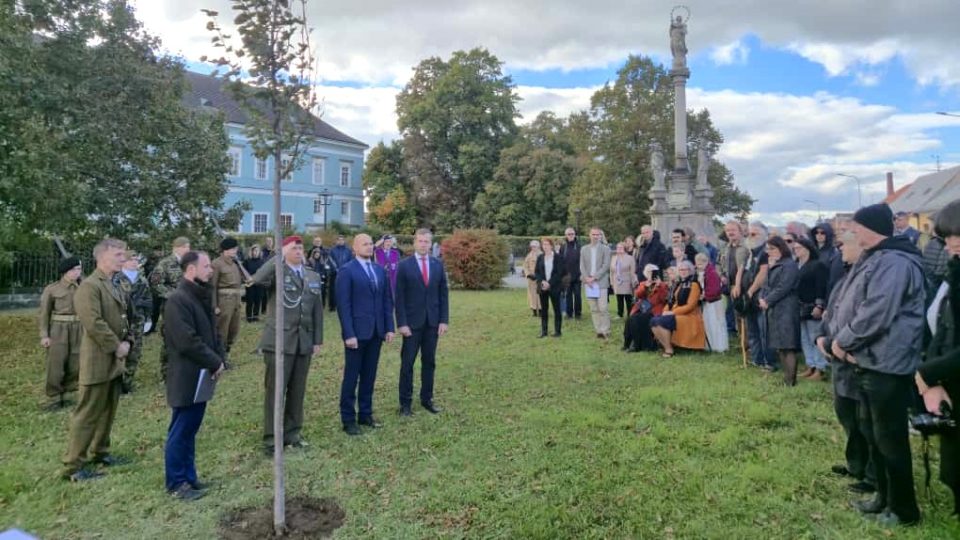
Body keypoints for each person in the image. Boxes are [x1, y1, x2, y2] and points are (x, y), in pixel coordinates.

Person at [818, 203, 923, 526]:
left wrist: (842, 341)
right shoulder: (874, 258)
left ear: (870, 228)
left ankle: (904, 510)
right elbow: (849, 301)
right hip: (867, 360)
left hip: (887, 363)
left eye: (856, 226)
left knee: (890, 439)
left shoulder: (894, 262)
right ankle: (883, 496)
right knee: (874, 435)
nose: (851, 232)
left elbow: (876, 311)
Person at [62, 238, 133, 482]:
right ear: (102, 257)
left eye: (123, 255)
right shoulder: (90, 286)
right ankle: (73, 466)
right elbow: (93, 322)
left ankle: (100, 452)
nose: (123, 259)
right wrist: (116, 346)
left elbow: (124, 317)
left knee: (108, 409)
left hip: (114, 359)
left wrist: (128, 342)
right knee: (88, 412)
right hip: (98, 358)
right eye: (118, 255)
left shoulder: (114, 283)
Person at [162, 251, 226, 501]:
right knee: (180, 430)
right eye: (207, 266)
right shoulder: (177, 301)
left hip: (202, 374)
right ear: (191, 269)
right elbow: (187, 341)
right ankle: (176, 482)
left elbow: (213, 333)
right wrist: (213, 361)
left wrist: (219, 358)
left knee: (190, 429)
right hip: (186, 375)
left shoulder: (199, 296)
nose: (211, 270)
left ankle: (189, 477)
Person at [251, 236, 324, 454]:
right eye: (293, 248)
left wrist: (317, 340)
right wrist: (277, 258)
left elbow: (317, 311)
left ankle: (292, 433)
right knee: (276, 391)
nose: (299, 251)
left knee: (297, 390)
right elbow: (257, 279)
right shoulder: (277, 273)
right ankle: (272, 438)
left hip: (303, 341)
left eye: (301, 248)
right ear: (284, 251)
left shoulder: (312, 275)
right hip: (279, 341)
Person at [821, 225, 878, 498]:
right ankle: (855, 464)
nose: (841, 248)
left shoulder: (870, 272)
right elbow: (835, 309)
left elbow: (867, 315)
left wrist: (842, 343)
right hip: (838, 355)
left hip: (855, 356)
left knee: (864, 418)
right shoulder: (847, 274)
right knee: (847, 414)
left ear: (861, 245)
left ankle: (872, 474)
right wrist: (824, 337)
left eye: (845, 244)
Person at [915, 198, 960, 518]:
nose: (949, 244)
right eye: (946, 236)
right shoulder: (953, 272)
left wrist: (928, 373)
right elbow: (940, 327)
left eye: (956, 235)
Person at [336, 234, 395, 435]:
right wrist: (348, 334)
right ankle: (348, 419)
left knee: (369, 376)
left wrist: (389, 327)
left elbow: (387, 300)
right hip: (357, 334)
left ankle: (365, 413)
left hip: (376, 332)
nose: (369, 247)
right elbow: (344, 306)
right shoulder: (347, 271)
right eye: (365, 244)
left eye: (371, 244)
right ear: (354, 247)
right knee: (352, 377)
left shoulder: (379, 270)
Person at [395, 229, 449, 416]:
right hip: (411, 324)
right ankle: (405, 404)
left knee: (429, 362)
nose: (424, 244)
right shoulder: (404, 266)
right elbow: (399, 297)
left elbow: (443, 294)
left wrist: (443, 320)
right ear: (414, 243)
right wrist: (401, 323)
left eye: (427, 241)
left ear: (431, 243)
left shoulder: (437, 265)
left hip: (432, 323)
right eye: (421, 241)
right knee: (407, 364)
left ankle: (427, 399)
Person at [38, 256, 83, 410]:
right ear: (66, 271)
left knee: (76, 361)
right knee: (56, 363)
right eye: (74, 270)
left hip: (79, 328)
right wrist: (44, 335)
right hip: (59, 328)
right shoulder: (53, 289)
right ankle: (54, 397)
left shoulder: (83, 287)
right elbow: (44, 313)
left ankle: (70, 393)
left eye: (79, 269)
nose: (78, 273)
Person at [759, 237, 801, 386]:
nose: (769, 252)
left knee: (788, 346)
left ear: (781, 248)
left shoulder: (789, 265)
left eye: (772, 249)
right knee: (781, 346)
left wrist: (768, 300)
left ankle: (791, 381)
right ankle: (787, 379)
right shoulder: (778, 264)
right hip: (777, 308)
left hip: (787, 308)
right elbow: (769, 285)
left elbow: (784, 286)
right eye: (768, 249)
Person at [736, 222, 776, 370]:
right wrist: (738, 285)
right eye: (749, 234)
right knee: (752, 329)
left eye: (754, 234)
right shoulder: (750, 251)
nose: (750, 237)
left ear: (764, 235)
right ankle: (756, 358)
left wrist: (752, 290)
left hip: (760, 295)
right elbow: (743, 269)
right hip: (748, 296)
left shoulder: (766, 252)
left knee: (763, 330)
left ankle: (768, 361)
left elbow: (763, 273)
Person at [149, 237, 190, 381]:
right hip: (171, 306)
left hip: (187, 306)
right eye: (186, 247)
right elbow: (155, 283)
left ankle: (183, 368)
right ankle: (166, 373)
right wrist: (172, 295)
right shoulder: (165, 263)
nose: (189, 250)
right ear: (177, 247)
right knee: (169, 338)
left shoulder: (188, 263)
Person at [114, 250, 152, 393]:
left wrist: (148, 318)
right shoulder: (117, 278)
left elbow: (148, 300)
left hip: (138, 320)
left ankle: (127, 383)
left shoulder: (142, 279)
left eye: (136, 260)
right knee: (120, 351)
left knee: (135, 352)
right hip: (121, 319)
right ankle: (116, 382)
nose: (135, 262)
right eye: (132, 259)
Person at [650, 260, 705, 356]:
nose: (682, 272)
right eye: (680, 270)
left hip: (689, 315)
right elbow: (671, 301)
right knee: (653, 321)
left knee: (663, 322)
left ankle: (669, 349)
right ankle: (666, 345)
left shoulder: (694, 284)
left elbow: (690, 306)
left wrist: (673, 312)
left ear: (690, 270)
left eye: (685, 269)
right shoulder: (679, 284)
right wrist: (665, 311)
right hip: (676, 312)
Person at [793, 237, 829, 381]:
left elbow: (821, 286)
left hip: (812, 305)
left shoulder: (817, 265)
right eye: (794, 248)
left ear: (807, 249)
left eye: (798, 248)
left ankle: (820, 369)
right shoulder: (797, 265)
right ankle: (811, 365)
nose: (796, 250)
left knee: (815, 337)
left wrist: (819, 305)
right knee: (805, 338)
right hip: (800, 306)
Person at [211, 237, 245, 356]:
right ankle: (220, 357)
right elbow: (212, 286)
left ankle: (226, 353)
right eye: (233, 248)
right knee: (222, 330)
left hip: (235, 300)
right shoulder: (217, 264)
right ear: (226, 250)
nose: (236, 250)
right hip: (224, 302)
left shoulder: (235, 264)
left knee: (234, 329)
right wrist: (214, 305)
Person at [623, 265, 669, 352]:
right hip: (642, 308)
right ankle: (628, 343)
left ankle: (636, 345)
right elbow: (638, 295)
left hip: (654, 310)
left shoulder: (662, 285)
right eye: (648, 272)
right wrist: (645, 287)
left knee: (636, 319)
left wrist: (659, 286)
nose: (650, 274)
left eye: (652, 272)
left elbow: (663, 299)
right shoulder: (643, 283)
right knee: (630, 319)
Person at [580, 227, 612, 339]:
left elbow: (606, 265)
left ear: (600, 236)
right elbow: (582, 265)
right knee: (593, 308)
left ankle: (606, 330)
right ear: (589, 235)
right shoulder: (584, 249)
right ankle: (598, 330)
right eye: (593, 234)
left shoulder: (605, 249)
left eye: (598, 235)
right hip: (588, 283)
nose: (595, 236)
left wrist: (594, 277)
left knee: (603, 308)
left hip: (601, 282)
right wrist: (587, 278)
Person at [534, 237, 566, 338]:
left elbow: (559, 273)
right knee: (544, 310)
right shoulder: (540, 257)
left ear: (551, 246)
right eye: (543, 244)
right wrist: (542, 281)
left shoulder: (558, 257)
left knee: (557, 309)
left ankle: (557, 331)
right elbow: (537, 272)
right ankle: (544, 331)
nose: (545, 246)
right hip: (542, 287)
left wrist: (549, 283)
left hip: (555, 287)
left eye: (547, 244)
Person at [695, 253, 727, 353]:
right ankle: (710, 345)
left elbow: (715, 289)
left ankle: (719, 346)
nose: (698, 266)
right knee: (708, 323)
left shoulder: (712, 273)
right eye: (697, 264)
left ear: (706, 262)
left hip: (714, 302)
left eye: (700, 264)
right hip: (707, 303)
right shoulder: (702, 273)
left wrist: (704, 295)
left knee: (716, 323)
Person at [810, 223, 844, 299]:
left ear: (828, 234)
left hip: (824, 293)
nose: (819, 235)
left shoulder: (834, 253)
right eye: (816, 232)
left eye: (822, 233)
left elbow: (833, 277)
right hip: (809, 292)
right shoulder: (810, 250)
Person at [559, 227, 582, 319]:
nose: (571, 235)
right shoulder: (563, 247)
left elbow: (583, 262)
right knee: (568, 296)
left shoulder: (580, 246)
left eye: (572, 234)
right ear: (566, 235)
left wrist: (581, 274)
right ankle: (569, 313)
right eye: (569, 234)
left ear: (575, 234)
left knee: (577, 295)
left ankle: (578, 314)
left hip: (577, 276)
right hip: (566, 277)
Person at [611, 242, 638, 318]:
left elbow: (633, 271)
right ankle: (620, 314)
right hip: (617, 282)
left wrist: (634, 283)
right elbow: (611, 271)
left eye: (620, 248)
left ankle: (630, 314)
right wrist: (612, 282)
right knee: (619, 299)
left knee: (628, 299)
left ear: (625, 249)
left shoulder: (630, 258)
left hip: (627, 282)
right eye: (617, 248)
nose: (618, 249)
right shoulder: (614, 258)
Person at [328, 234, 354, 312]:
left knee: (345, 289)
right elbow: (330, 260)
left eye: (342, 240)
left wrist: (345, 270)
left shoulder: (348, 250)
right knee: (333, 290)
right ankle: (332, 306)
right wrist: (336, 269)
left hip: (345, 273)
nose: (340, 241)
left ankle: (345, 305)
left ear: (344, 241)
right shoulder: (332, 250)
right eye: (339, 240)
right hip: (334, 273)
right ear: (336, 241)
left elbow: (350, 261)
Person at [243, 245, 264, 322]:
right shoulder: (247, 261)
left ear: (259, 252)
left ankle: (255, 316)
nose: (255, 252)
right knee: (250, 301)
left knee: (258, 300)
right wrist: (246, 280)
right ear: (251, 252)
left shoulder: (262, 261)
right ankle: (249, 317)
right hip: (250, 284)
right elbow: (243, 272)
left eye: (256, 251)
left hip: (259, 284)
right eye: (253, 251)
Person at [522, 240, 542, 317]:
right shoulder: (529, 255)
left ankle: (541, 310)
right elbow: (525, 265)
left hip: (540, 278)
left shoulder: (541, 255)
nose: (533, 248)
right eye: (532, 246)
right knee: (532, 294)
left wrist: (539, 275)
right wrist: (528, 274)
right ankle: (534, 309)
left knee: (540, 294)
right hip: (531, 278)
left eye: (535, 246)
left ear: (538, 246)